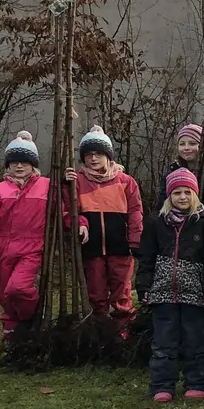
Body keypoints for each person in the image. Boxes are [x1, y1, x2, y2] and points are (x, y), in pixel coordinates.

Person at [137, 168, 204, 402]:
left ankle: (197, 382)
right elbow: (146, 258)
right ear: (169, 196)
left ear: (195, 194)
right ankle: (162, 385)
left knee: (195, 340)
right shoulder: (156, 224)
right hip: (162, 293)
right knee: (163, 342)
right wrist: (144, 286)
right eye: (177, 192)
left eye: (187, 192)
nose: (183, 197)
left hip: (195, 295)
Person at [68, 126, 144, 338]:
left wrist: (135, 241)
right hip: (91, 248)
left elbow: (136, 212)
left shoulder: (125, 182)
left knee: (122, 292)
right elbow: (69, 208)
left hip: (120, 247)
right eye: (88, 154)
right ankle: (101, 334)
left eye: (98, 154)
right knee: (96, 292)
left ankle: (123, 334)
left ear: (108, 156)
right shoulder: (77, 181)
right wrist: (80, 222)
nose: (93, 159)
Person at [0, 132, 50, 339]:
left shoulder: (46, 186)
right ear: (8, 165)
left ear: (33, 164)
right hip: (4, 252)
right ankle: (12, 336)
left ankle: (31, 318)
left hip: (33, 249)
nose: (19, 166)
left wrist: (80, 222)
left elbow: (63, 210)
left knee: (17, 289)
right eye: (14, 162)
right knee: (5, 296)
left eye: (25, 162)